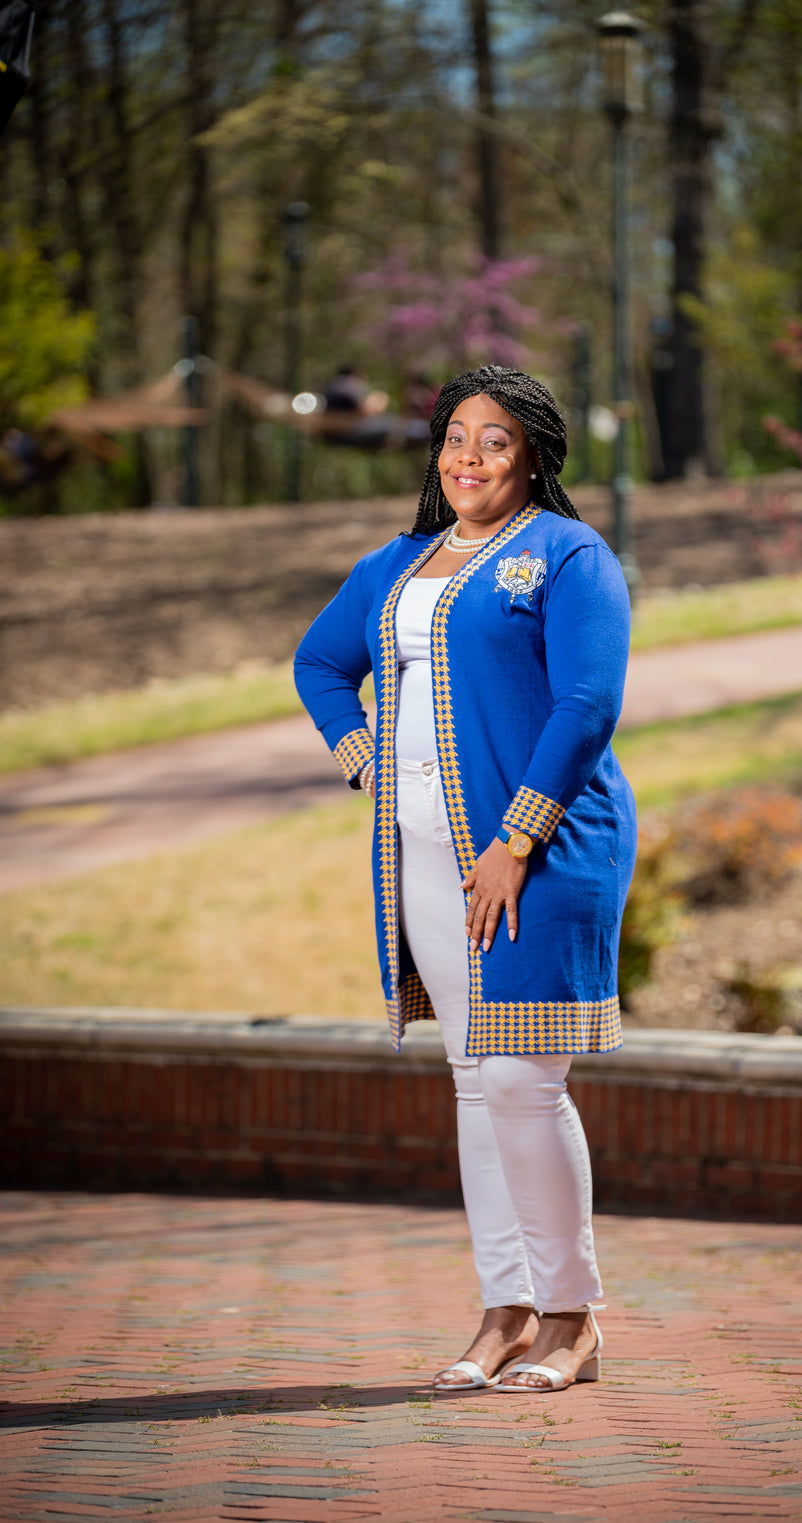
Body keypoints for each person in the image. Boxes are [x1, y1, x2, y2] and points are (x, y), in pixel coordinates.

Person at [294, 364, 636, 1393]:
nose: (467, 458)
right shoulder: (396, 564)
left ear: (531, 452)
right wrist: (363, 759)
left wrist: (516, 841)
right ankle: (505, 1311)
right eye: (454, 437)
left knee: (524, 1081)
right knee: (473, 1082)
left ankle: (572, 1320)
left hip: (543, 851)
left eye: (492, 440)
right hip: (424, 857)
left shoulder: (569, 556)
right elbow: (318, 664)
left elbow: (586, 704)